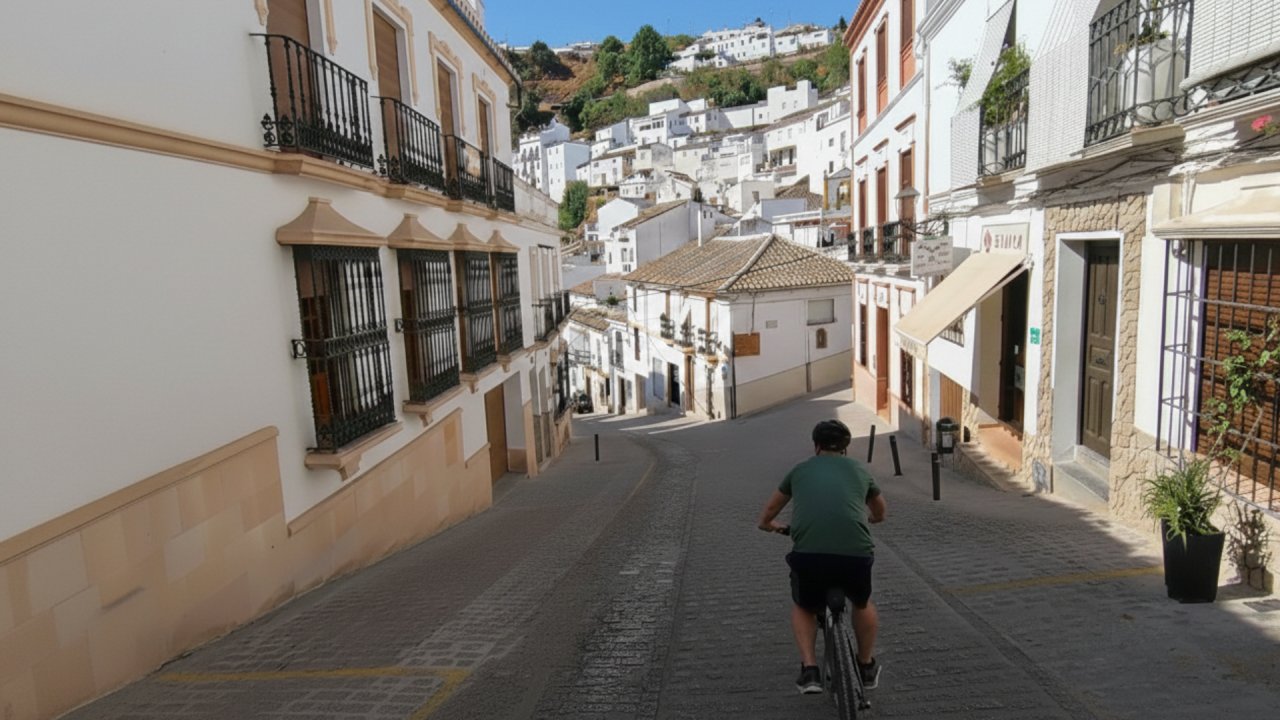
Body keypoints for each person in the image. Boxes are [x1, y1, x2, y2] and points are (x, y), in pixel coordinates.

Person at [756, 418, 886, 695]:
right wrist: (874, 519)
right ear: (846, 448)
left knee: (804, 605)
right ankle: (865, 666)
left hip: (810, 556)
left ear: (816, 446)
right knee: (861, 603)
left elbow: (768, 512)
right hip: (855, 556)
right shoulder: (859, 470)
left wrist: (770, 526)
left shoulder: (799, 471)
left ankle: (810, 669)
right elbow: (880, 510)